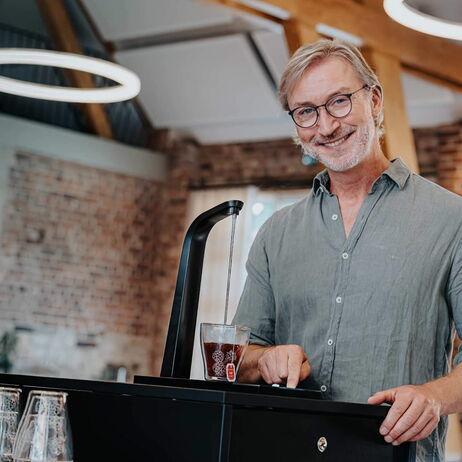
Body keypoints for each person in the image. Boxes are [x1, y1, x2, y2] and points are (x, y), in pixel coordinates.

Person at [232, 39, 462, 462]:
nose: (326, 126)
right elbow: (236, 358)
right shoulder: (276, 233)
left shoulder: (452, 220)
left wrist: (434, 396)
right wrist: (264, 360)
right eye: (306, 112)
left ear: (374, 100)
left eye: (339, 102)